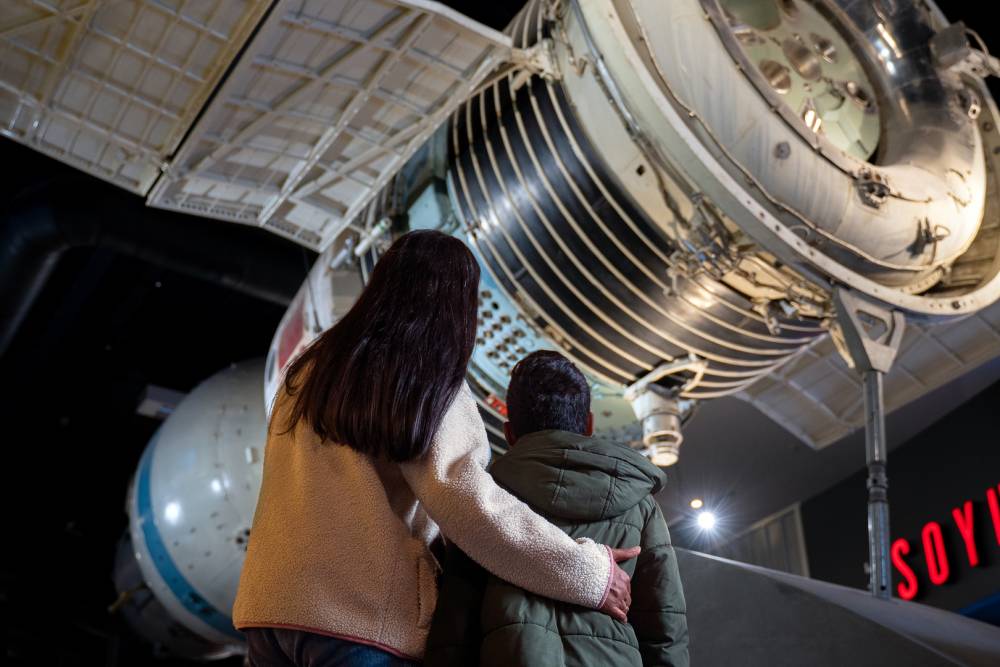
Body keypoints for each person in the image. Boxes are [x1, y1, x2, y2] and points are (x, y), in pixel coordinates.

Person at [232, 231, 637, 666]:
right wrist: (587, 574)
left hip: (269, 612)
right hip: (358, 620)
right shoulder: (423, 373)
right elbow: (467, 502)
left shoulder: (310, 367)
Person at [424, 350, 689, 667]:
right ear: (588, 425)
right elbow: (665, 627)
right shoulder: (640, 505)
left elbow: (455, 625)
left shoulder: (483, 498)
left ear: (509, 433)